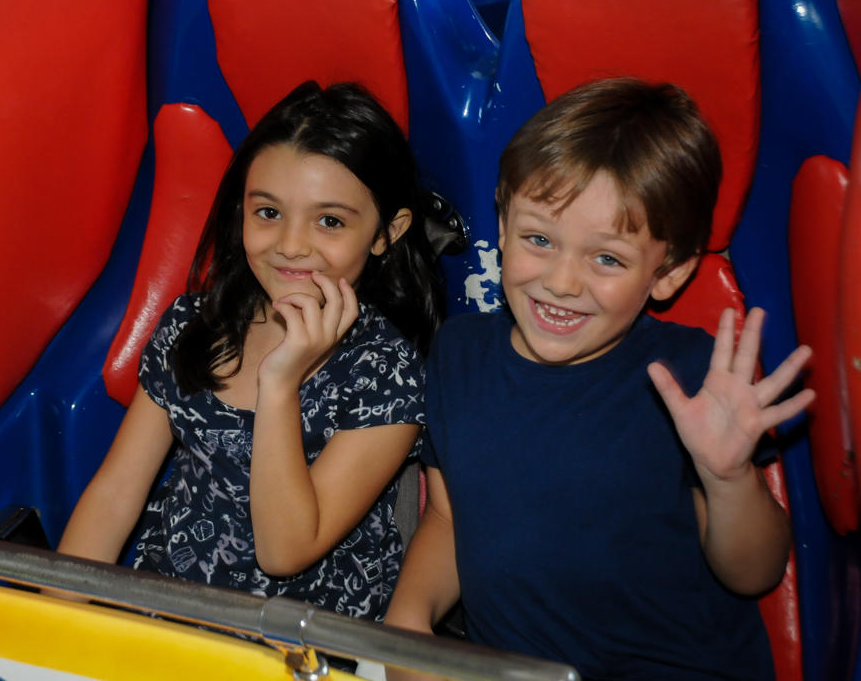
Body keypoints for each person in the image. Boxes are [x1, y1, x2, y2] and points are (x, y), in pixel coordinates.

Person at [383, 78, 813, 679]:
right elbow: (450, 517)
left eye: (606, 258)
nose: (562, 282)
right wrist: (408, 623)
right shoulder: (459, 352)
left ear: (668, 273)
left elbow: (755, 573)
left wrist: (729, 476)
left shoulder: (691, 377)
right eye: (538, 239)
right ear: (502, 228)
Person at [57, 80, 446, 620]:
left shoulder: (385, 373)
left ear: (386, 232)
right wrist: (55, 618)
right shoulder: (194, 327)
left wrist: (280, 381)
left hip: (304, 644)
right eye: (267, 213)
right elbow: (116, 493)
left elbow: (285, 550)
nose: (290, 244)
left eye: (329, 221)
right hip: (168, 610)